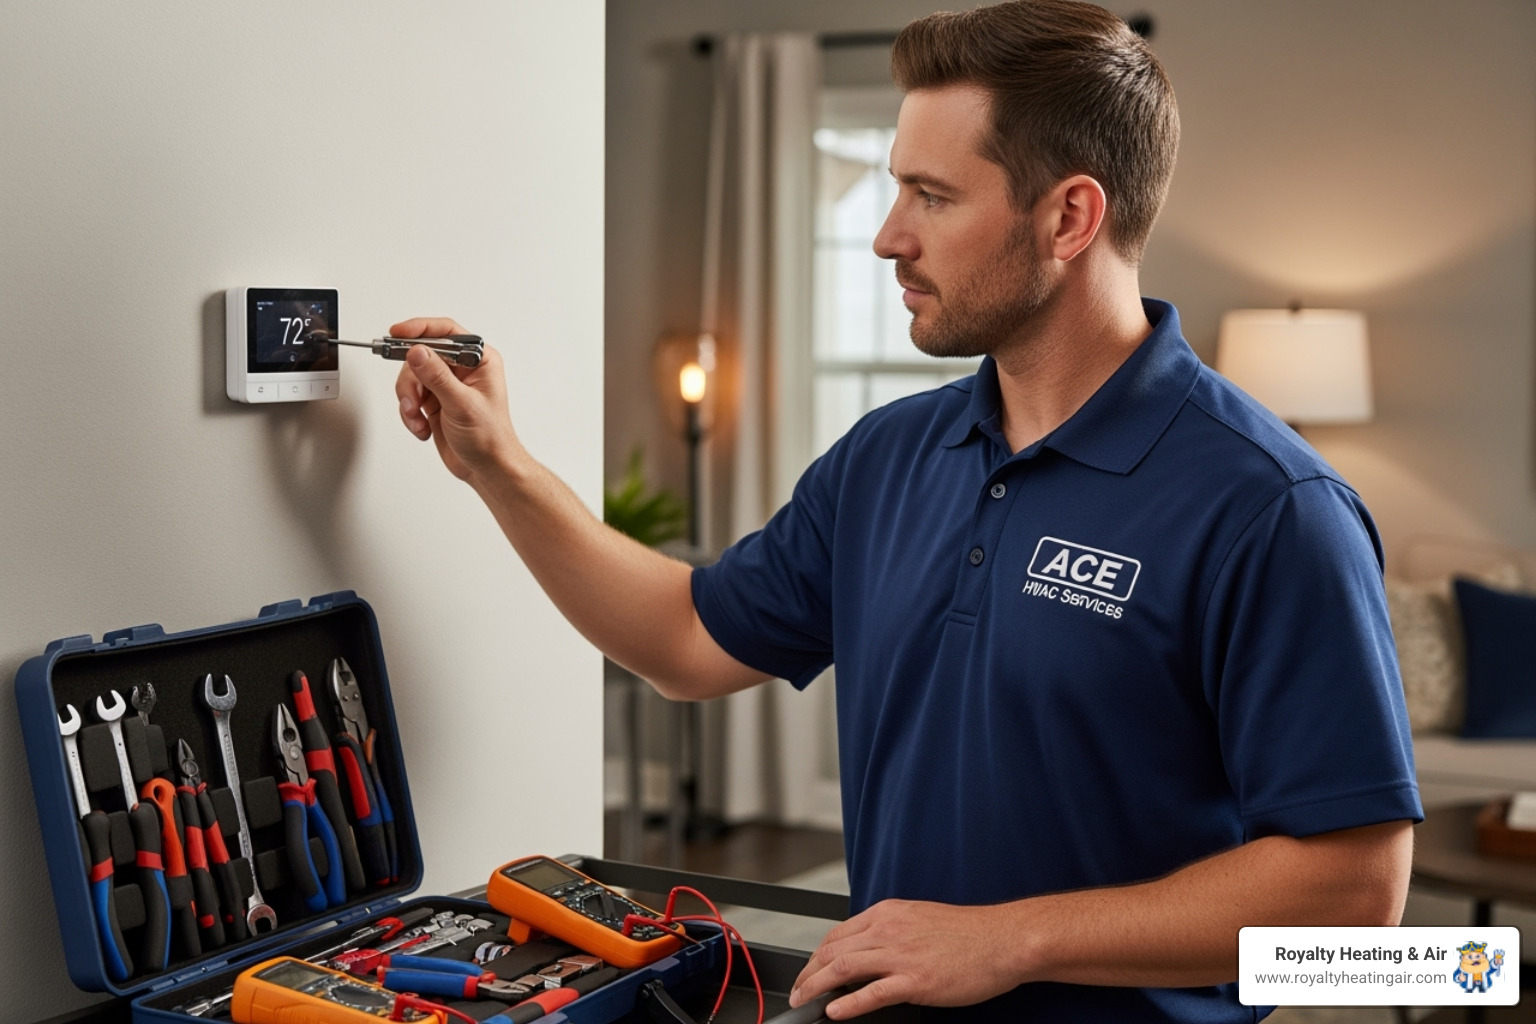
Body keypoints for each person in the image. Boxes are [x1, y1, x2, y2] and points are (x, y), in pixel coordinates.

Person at [390, 2, 1421, 1020]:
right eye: (897, 190)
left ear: (1070, 217)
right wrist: (498, 465)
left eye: (932, 196)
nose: (889, 237)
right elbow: (683, 638)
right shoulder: (889, 457)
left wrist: (1009, 938)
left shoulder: (1273, 507)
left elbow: (1358, 901)